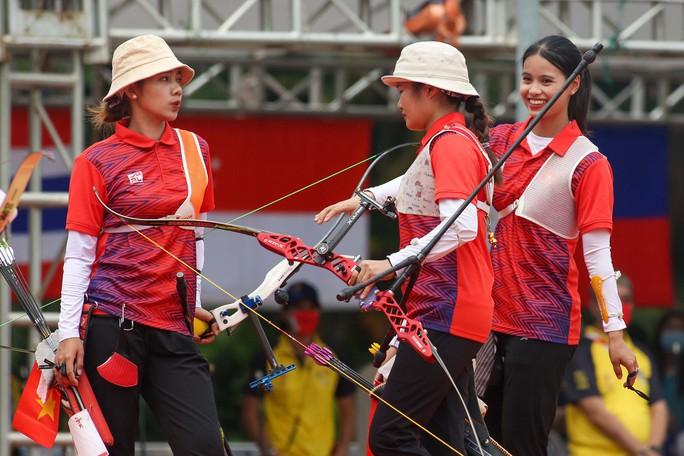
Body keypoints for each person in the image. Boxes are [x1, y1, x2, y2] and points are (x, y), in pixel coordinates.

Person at [316, 41, 499, 455]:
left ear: (430, 90)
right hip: (446, 312)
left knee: (390, 437)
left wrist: (388, 263)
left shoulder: (451, 143)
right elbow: (418, 185)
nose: (398, 100)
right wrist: (363, 198)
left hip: (446, 313)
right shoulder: (447, 142)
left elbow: (462, 226)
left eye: (403, 89)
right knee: (445, 444)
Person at [53, 34, 224, 455]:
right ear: (131, 90)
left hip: (172, 327)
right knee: (112, 449)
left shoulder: (194, 150)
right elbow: (79, 254)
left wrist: (192, 302)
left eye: (177, 79)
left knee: (205, 446)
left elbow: (195, 235)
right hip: (114, 326)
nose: (176, 88)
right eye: (163, 79)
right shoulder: (96, 161)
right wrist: (67, 333)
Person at [474, 35, 639, 456]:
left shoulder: (589, 163)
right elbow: (445, 180)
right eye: (526, 79)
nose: (533, 90)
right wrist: (369, 198)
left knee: (522, 445)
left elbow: (598, 253)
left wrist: (615, 333)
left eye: (546, 80)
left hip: (542, 325)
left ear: (574, 85)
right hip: (483, 318)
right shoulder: (499, 141)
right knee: (472, 442)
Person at [241, 281, 356, 456]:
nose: (306, 313)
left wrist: (342, 449)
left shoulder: (333, 356)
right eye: (299, 308)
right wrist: (266, 449)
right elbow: (250, 409)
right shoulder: (267, 355)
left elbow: (348, 409)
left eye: (311, 308)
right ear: (285, 314)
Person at [563, 274, 668, 456]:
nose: (621, 306)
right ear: (595, 305)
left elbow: (658, 405)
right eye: (614, 299)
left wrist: (654, 448)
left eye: (626, 300)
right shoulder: (580, 349)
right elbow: (593, 409)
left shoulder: (642, 353)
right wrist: (640, 450)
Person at [654, 309, 684, 454]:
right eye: (670, 329)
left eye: (680, 329)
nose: (675, 335)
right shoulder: (648, 367)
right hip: (656, 439)